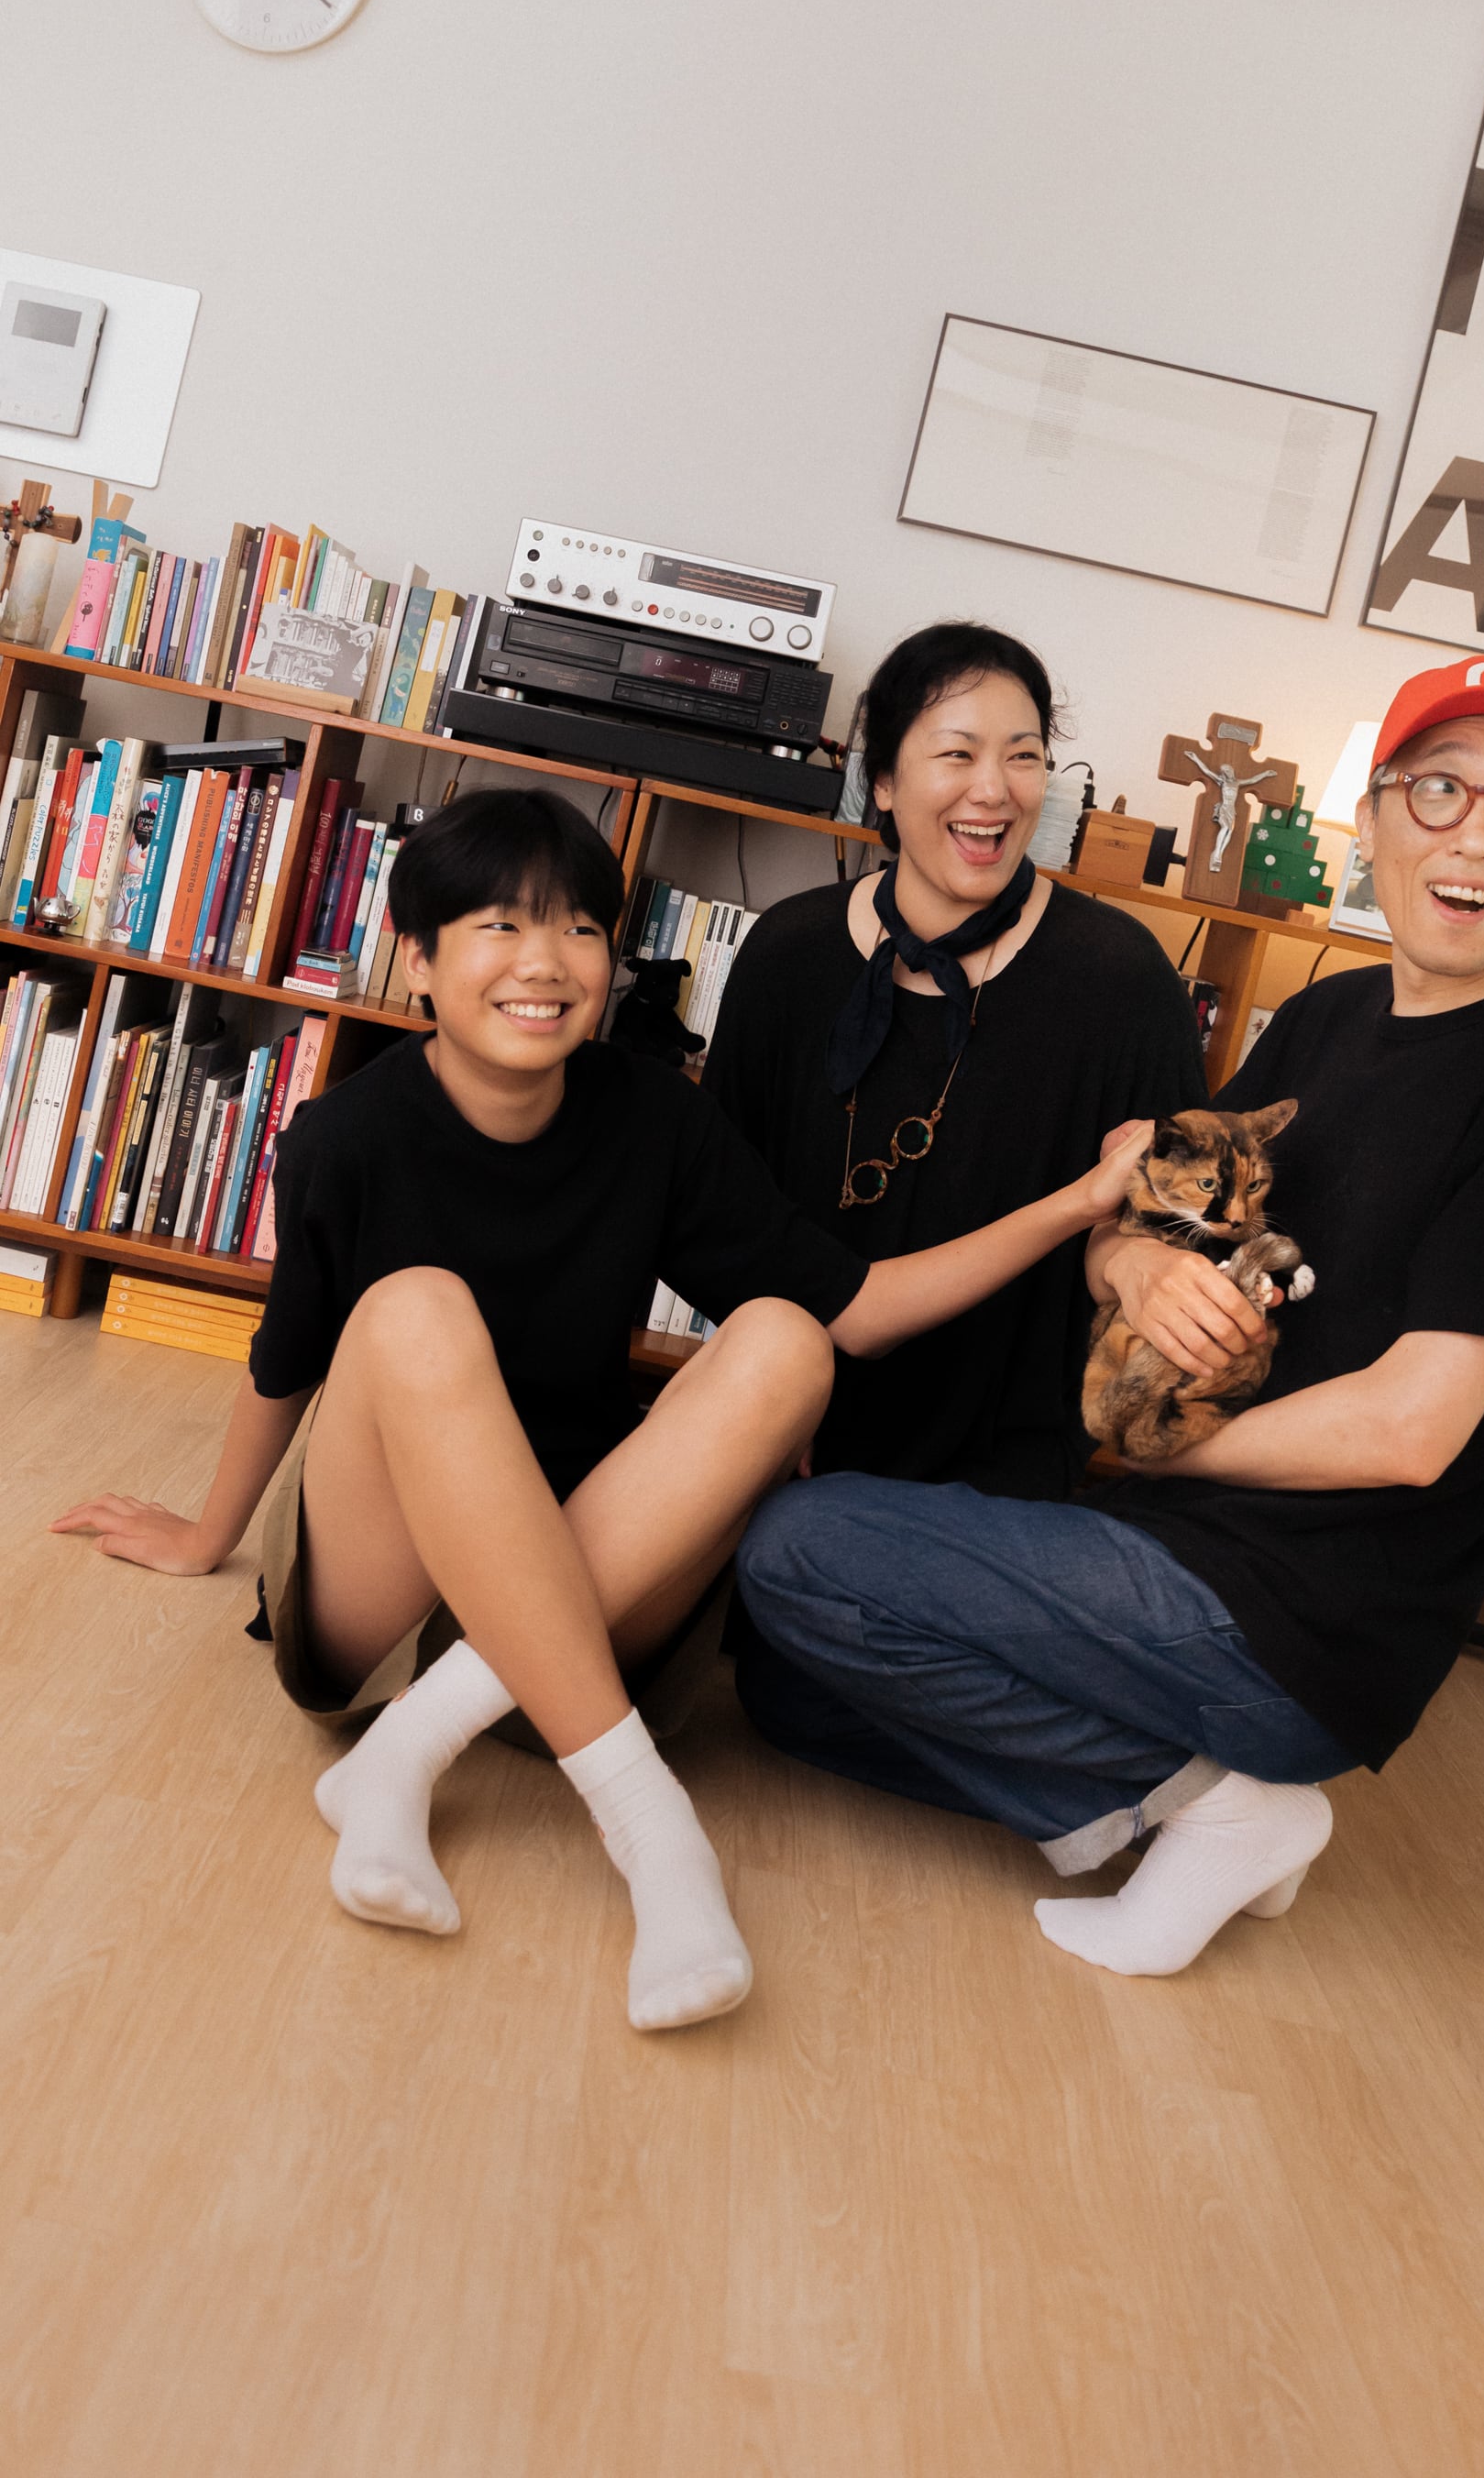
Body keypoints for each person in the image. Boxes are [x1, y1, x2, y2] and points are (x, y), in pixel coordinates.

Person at [50, 789, 1154, 2031]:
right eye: (498, 926)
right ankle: (649, 1826)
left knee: (786, 1339)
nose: (545, 962)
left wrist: (1079, 1206)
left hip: (588, 1587)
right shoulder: (345, 1137)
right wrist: (210, 1535)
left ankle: (407, 1753)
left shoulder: (654, 1116)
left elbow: (854, 1310)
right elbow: (287, 1360)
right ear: (417, 961)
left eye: (578, 928)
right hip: (384, 1591)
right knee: (416, 1311)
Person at [734, 654, 1484, 1981]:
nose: (1473, 837)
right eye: (1438, 790)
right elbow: (1141, 1219)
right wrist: (1127, 1268)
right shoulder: (1327, 1016)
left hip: (1300, 1615)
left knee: (797, 1553)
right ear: (1373, 818)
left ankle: (1221, 1805)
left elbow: (1410, 1432)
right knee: (790, 1693)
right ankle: (1197, 1807)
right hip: (1174, 1535)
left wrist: (1148, 1444)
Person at [702, 620, 1225, 1503]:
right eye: (957, 753)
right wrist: (771, 1385)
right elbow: (724, 1212)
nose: (993, 789)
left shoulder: (1123, 978)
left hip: (1005, 1467)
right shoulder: (788, 951)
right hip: (786, 1415)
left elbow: (1170, 1228)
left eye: (1023, 757)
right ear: (882, 780)